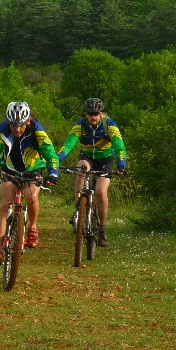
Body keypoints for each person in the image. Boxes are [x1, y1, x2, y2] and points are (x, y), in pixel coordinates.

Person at [0, 101, 59, 265]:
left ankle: (32, 227)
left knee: (31, 195)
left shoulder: (37, 130)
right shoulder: (1, 129)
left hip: (33, 169)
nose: (17, 129)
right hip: (10, 169)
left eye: (21, 125)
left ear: (28, 121)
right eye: (13, 125)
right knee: (5, 205)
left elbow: (50, 154)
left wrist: (53, 172)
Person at [57, 97, 126, 247]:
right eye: (90, 114)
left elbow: (119, 146)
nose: (93, 117)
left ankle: (102, 228)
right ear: (86, 114)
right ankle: (78, 210)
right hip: (87, 156)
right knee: (81, 171)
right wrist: (58, 160)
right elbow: (69, 144)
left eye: (96, 114)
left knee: (101, 193)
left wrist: (121, 165)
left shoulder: (110, 125)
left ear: (101, 114)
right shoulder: (80, 125)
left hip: (105, 159)